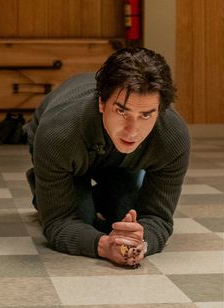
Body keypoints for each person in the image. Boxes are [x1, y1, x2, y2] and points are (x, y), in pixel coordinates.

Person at [24, 47, 190, 268]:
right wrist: (103, 246)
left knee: (126, 214)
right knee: (82, 219)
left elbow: (158, 218)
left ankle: (95, 193)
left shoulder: (173, 136)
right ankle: (45, 185)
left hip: (121, 162)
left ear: (160, 111)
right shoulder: (57, 132)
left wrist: (142, 240)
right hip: (63, 143)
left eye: (146, 115)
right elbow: (59, 222)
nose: (132, 131)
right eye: (122, 111)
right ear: (102, 102)